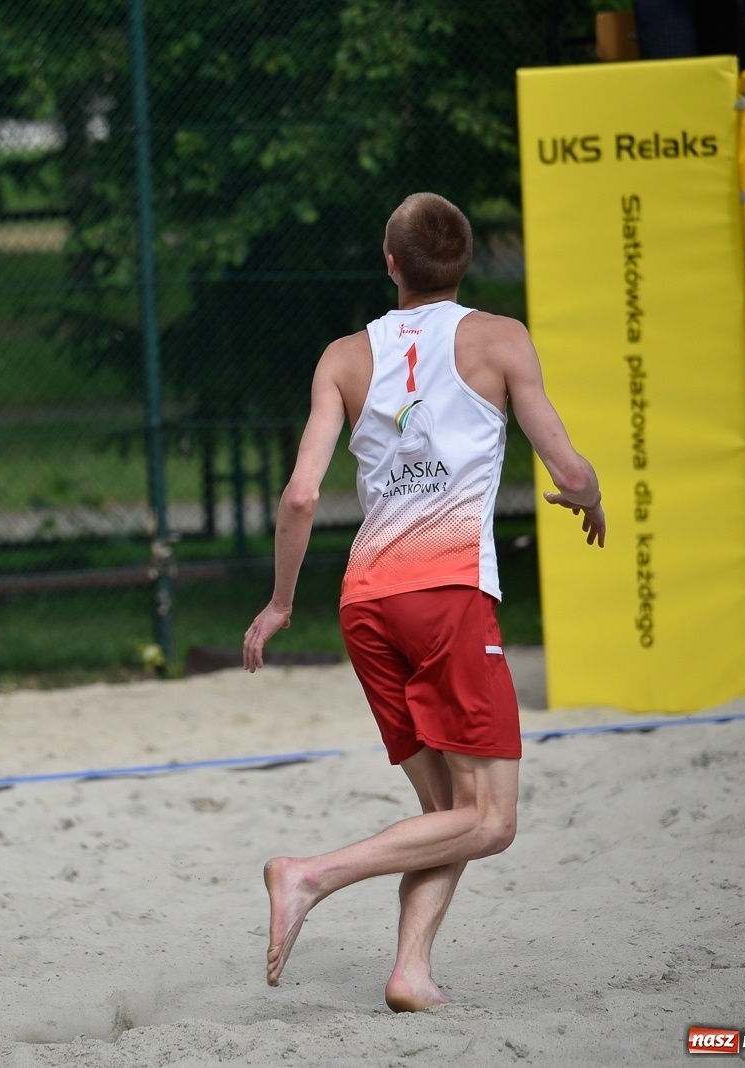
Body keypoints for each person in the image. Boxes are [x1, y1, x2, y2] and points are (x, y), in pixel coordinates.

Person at [242, 193, 606, 1012]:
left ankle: (411, 971)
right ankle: (309, 875)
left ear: (390, 261)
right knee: (494, 821)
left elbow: (301, 496)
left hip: (367, 603)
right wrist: (588, 496)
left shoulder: (342, 357)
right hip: (444, 594)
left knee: (449, 810)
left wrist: (278, 603)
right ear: (465, 261)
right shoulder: (499, 338)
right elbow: (570, 470)